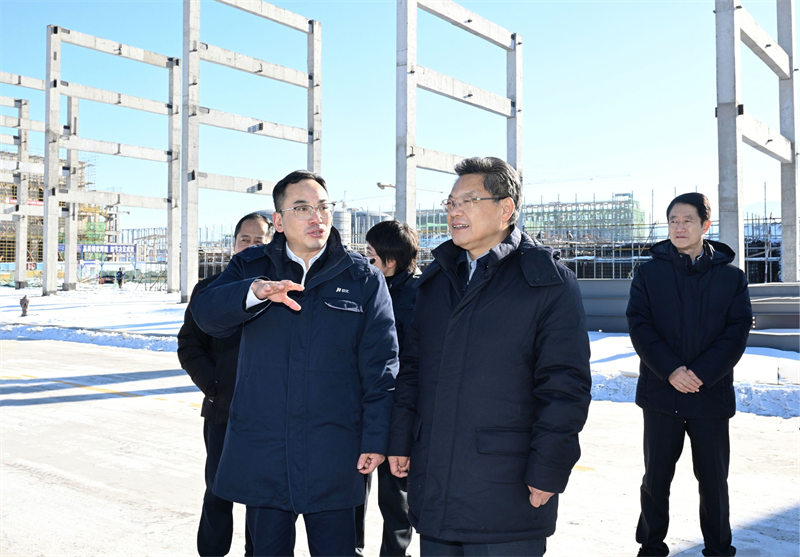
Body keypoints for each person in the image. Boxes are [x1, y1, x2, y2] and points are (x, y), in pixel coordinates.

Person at [387, 156, 592, 556]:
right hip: (436, 483)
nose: (454, 212)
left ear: (505, 208)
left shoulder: (546, 282)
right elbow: (412, 369)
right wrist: (401, 439)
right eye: (450, 203)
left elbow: (564, 388)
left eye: (468, 201)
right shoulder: (437, 280)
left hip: (506, 488)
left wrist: (549, 468)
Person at [191, 170, 398, 557]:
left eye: (323, 207)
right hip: (264, 450)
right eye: (302, 208)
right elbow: (205, 315)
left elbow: (382, 366)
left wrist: (376, 437)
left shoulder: (363, 278)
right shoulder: (250, 268)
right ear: (280, 221)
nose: (316, 217)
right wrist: (253, 293)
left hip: (334, 451)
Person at [627, 193, 752, 557]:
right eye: (673, 221)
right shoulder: (649, 273)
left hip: (709, 395)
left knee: (713, 481)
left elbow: (737, 331)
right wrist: (671, 371)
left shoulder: (731, 278)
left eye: (687, 220)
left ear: (705, 225)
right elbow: (640, 325)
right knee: (655, 479)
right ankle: (651, 547)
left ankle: (718, 549)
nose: (679, 228)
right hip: (661, 394)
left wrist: (700, 374)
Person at [178, 211, 274, 557]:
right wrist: (213, 384)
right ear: (233, 245)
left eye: (259, 240)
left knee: (263, 497)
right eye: (244, 240)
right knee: (218, 491)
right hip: (223, 410)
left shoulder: (281, 291)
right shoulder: (209, 289)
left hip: (268, 415)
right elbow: (190, 344)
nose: (251, 246)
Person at [355, 220, 420, 557]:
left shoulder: (421, 295)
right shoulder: (364, 287)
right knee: (354, 490)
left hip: (399, 411)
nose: (365, 261)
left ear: (390, 261)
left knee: (396, 498)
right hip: (365, 406)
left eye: (371, 255)